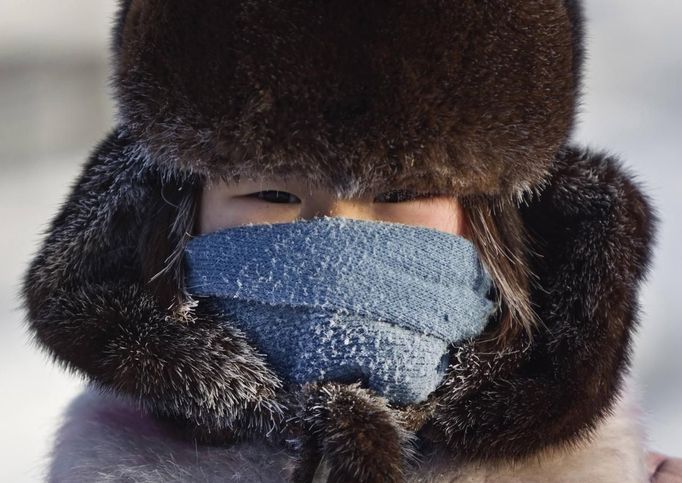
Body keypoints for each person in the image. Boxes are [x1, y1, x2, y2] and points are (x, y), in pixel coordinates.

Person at [21, 1, 677, 481]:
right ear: (179, 218)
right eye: (272, 195)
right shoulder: (116, 458)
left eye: (397, 196)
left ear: (491, 223)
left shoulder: (597, 468)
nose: (336, 235)